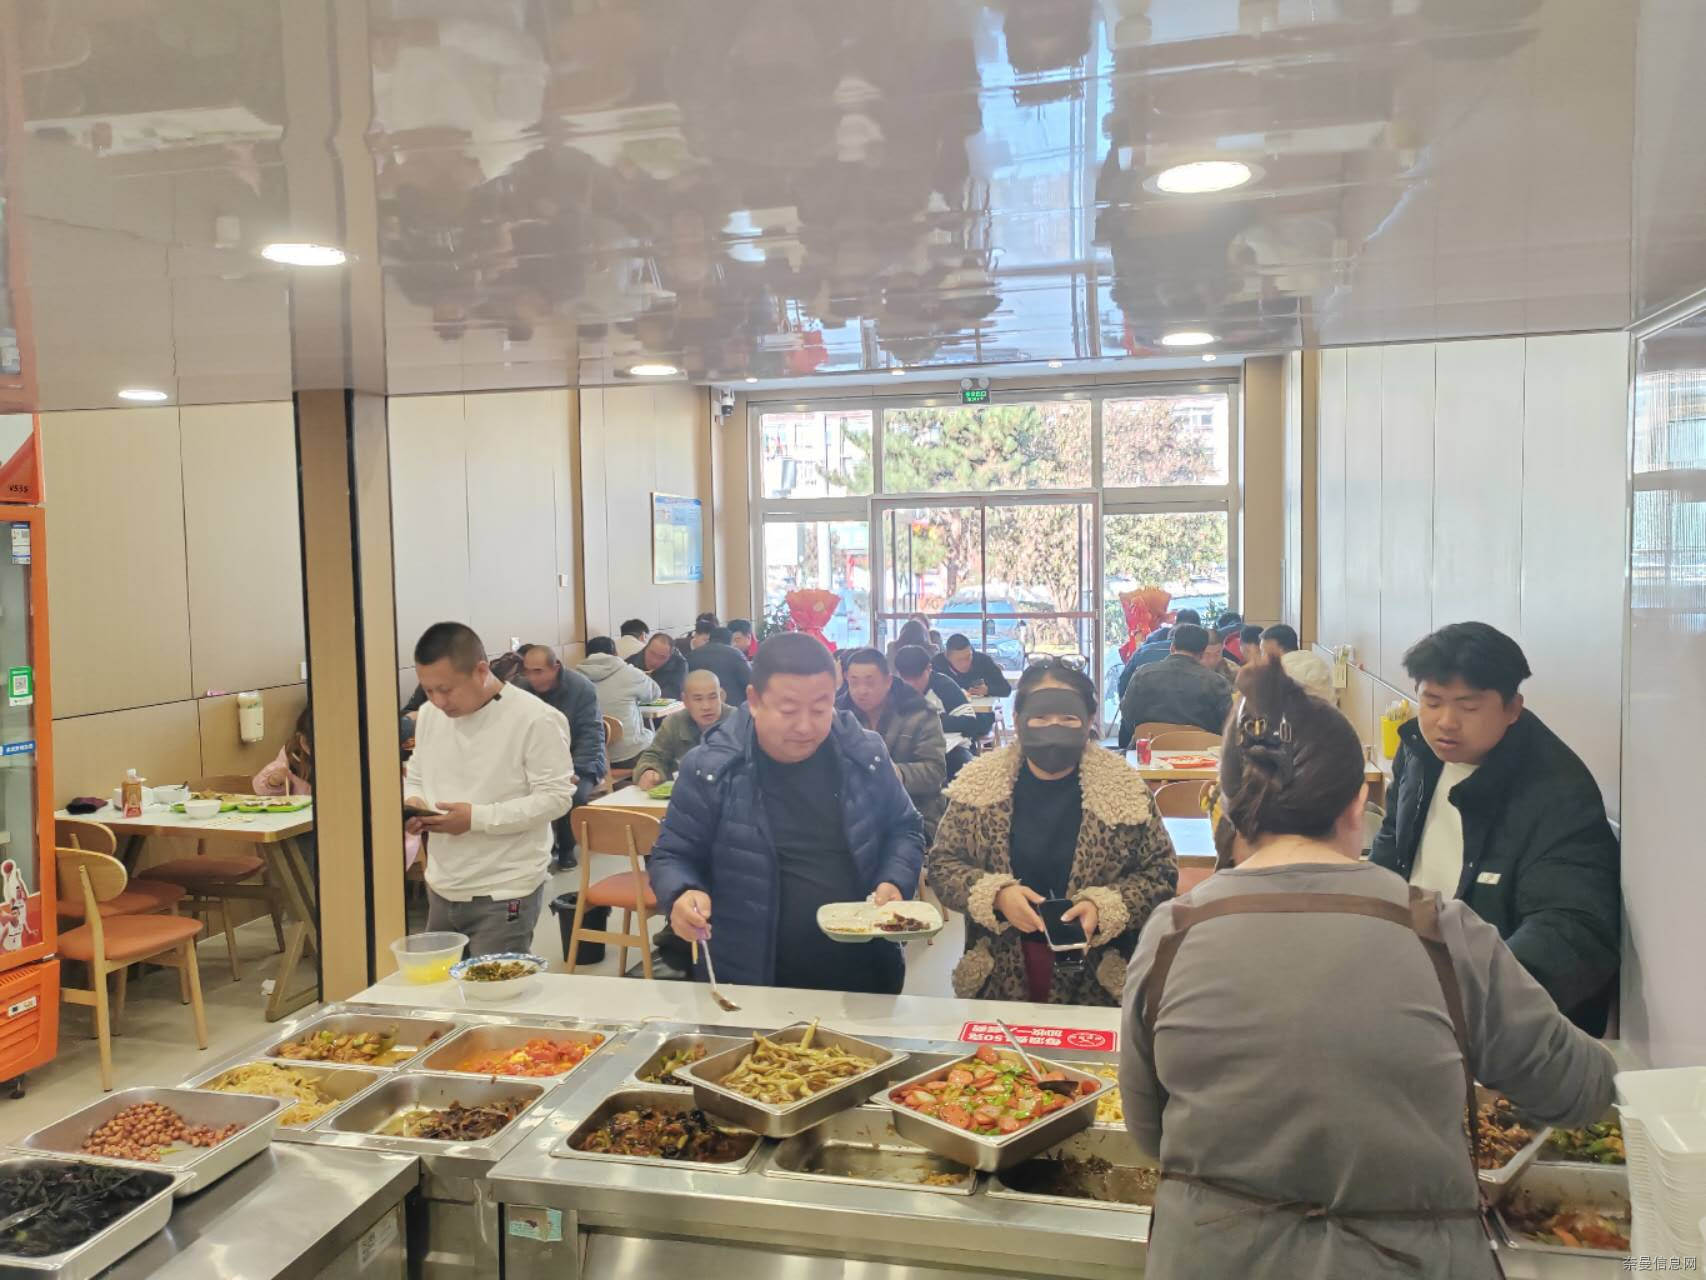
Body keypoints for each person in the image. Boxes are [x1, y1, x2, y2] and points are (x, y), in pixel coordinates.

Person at [1119, 660, 1615, 1280]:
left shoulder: (1170, 933)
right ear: (1358, 804)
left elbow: (1149, 1130)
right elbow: (1578, 1089)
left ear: (1230, 806)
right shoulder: (1442, 932)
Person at [1370, 622, 1621, 1033]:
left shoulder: (1556, 792)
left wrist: (1465, 998)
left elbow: (1571, 931)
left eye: (1468, 707)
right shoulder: (1419, 750)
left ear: (1512, 708)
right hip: (1412, 979)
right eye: (1432, 702)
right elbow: (1391, 846)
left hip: (1495, 1019)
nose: (1446, 722)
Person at [648, 633, 925, 994]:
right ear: (754, 701)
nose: (806, 726)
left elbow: (905, 828)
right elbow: (672, 854)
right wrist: (682, 895)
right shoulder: (711, 767)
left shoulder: (864, 754)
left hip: (863, 968)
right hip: (750, 973)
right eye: (789, 711)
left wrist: (894, 880)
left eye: (820, 709)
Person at [929, 660, 1177, 1004]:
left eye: (1068, 718)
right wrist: (996, 895)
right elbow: (942, 866)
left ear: (1090, 721)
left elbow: (1161, 874)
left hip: (1099, 975)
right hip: (999, 972)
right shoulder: (977, 788)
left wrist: (1102, 906)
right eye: (1041, 717)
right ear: (1017, 719)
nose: (1054, 729)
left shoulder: (1126, 791)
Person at [404, 622, 576, 956]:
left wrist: (475, 819)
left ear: (481, 671)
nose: (438, 701)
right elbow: (417, 775)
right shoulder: (428, 715)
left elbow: (556, 799)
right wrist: (414, 803)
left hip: (506, 887)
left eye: (446, 689)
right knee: (439, 986)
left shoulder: (536, 718)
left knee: (494, 986)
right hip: (442, 881)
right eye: (428, 690)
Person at [837, 648, 948, 837]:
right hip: (854, 814)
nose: (861, 691)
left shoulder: (919, 712)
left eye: (870, 683)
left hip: (912, 813)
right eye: (854, 683)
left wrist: (898, 773)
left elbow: (936, 771)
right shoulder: (839, 714)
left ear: (888, 681)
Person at [518, 644, 607, 870]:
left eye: (538, 671)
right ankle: (540, 847)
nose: (532, 678)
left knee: (572, 795)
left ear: (555, 667)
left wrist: (576, 770)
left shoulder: (582, 688)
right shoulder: (520, 689)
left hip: (581, 760)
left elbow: (591, 734)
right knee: (520, 790)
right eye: (528, 671)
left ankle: (567, 848)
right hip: (538, 761)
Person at [1117, 624, 1233, 746]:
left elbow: (1127, 715)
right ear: (1202, 654)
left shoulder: (1142, 674)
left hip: (1148, 751)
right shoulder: (1216, 682)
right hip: (1200, 752)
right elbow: (1229, 723)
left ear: (1172, 647)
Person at [632, 670, 733, 789]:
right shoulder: (674, 723)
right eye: (698, 699)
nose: (706, 706)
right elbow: (653, 756)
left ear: (722, 696)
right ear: (685, 700)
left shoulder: (739, 721)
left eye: (713, 697)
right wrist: (648, 771)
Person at [892, 644, 978, 772]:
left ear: (929, 668)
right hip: (908, 751)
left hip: (950, 751)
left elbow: (971, 723)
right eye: (906, 678)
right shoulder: (893, 690)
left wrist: (930, 720)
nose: (911, 684)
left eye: (917, 678)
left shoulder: (944, 686)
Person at [579, 635, 659, 766]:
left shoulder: (575, 677)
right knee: (659, 745)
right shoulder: (630, 672)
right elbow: (655, 693)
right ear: (616, 653)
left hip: (592, 759)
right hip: (628, 755)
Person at [1118, 608, 1204, 698]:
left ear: (1175, 624)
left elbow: (1124, 683)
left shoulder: (1145, 649)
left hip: (1146, 703)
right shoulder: (1204, 653)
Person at [686, 624, 753, 706]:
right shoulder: (735, 654)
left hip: (701, 705)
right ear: (730, 640)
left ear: (710, 639)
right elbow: (751, 681)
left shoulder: (692, 655)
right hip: (732, 706)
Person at [933, 633, 1012, 698]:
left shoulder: (983, 660)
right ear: (947, 657)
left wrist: (988, 690)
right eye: (959, 660)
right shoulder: (937, 664)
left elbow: (1006, 689)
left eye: (968, 657)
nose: (965, 663)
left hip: (982, 710)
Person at [628, 630, 688, 700]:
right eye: (652, 653)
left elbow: (675, 692)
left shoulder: (679, 664)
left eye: (662, 657)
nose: (654, 661)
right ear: (646, 648)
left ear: (669, 656)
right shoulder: (630, 663)